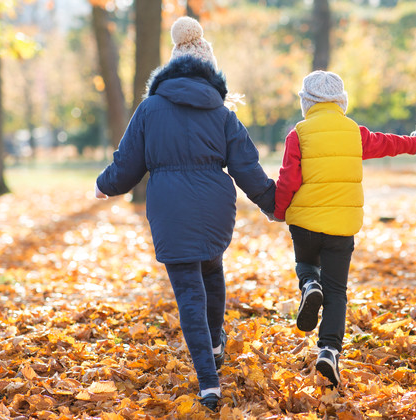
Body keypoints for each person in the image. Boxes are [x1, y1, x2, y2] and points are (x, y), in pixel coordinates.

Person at [94, 16, 275, 411]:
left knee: (189, 293)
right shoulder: (223, 113)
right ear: (210, 71)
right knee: (211, 270)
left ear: (171, 68)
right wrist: (273, 203)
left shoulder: (149, 109)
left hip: (170, 209)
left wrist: (105, 184)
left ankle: (209, 384)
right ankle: (214, 340)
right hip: (215, 208)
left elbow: (128, 164)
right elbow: (247, 166)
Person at [270, 70, 416, 388]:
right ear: (341, 102)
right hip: (341, 227)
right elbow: (387, 143)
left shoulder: (297, 134)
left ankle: (308, 286)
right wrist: (415, 143)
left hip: (304, 223)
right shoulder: (353, 133)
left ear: (306, 103)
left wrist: (278, 211)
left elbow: (288, 179)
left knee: (305, 265)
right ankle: (329, 349)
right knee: (337, 292)